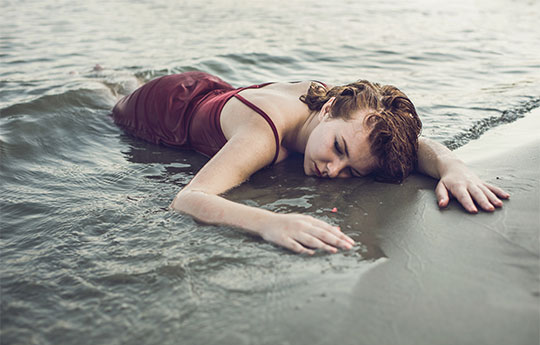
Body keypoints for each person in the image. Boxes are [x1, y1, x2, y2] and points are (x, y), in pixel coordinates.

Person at [112, 71, 509, 254]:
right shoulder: (262, 133)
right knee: (110, 102)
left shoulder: (345, 113)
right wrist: (269, 222)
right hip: (165, 110)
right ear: (330, 108)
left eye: (351, 169)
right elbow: (189, 198)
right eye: (336, 148)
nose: (332, 170)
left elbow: (411, 143)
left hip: (215, 90)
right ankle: (111, 86)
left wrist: (453, 167)